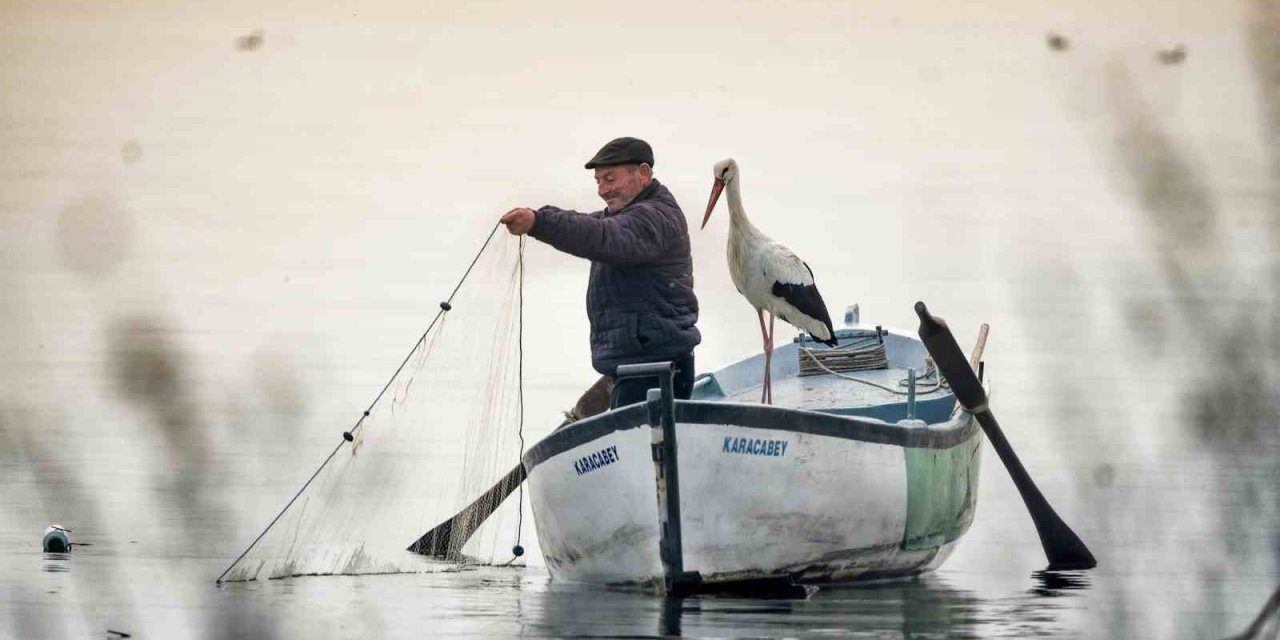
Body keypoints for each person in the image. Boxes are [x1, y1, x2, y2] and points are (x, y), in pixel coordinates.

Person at [500, 137, 700, 410]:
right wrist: (538, 218)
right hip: (635, 367)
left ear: (643, 173)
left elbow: (598, 235)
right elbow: (586, 224)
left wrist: (538, 222)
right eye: (598, 181)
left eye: (610, 178)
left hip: (656, 370)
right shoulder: (625, 216)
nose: (602, 190)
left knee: (646, 449)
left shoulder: (653, 217)